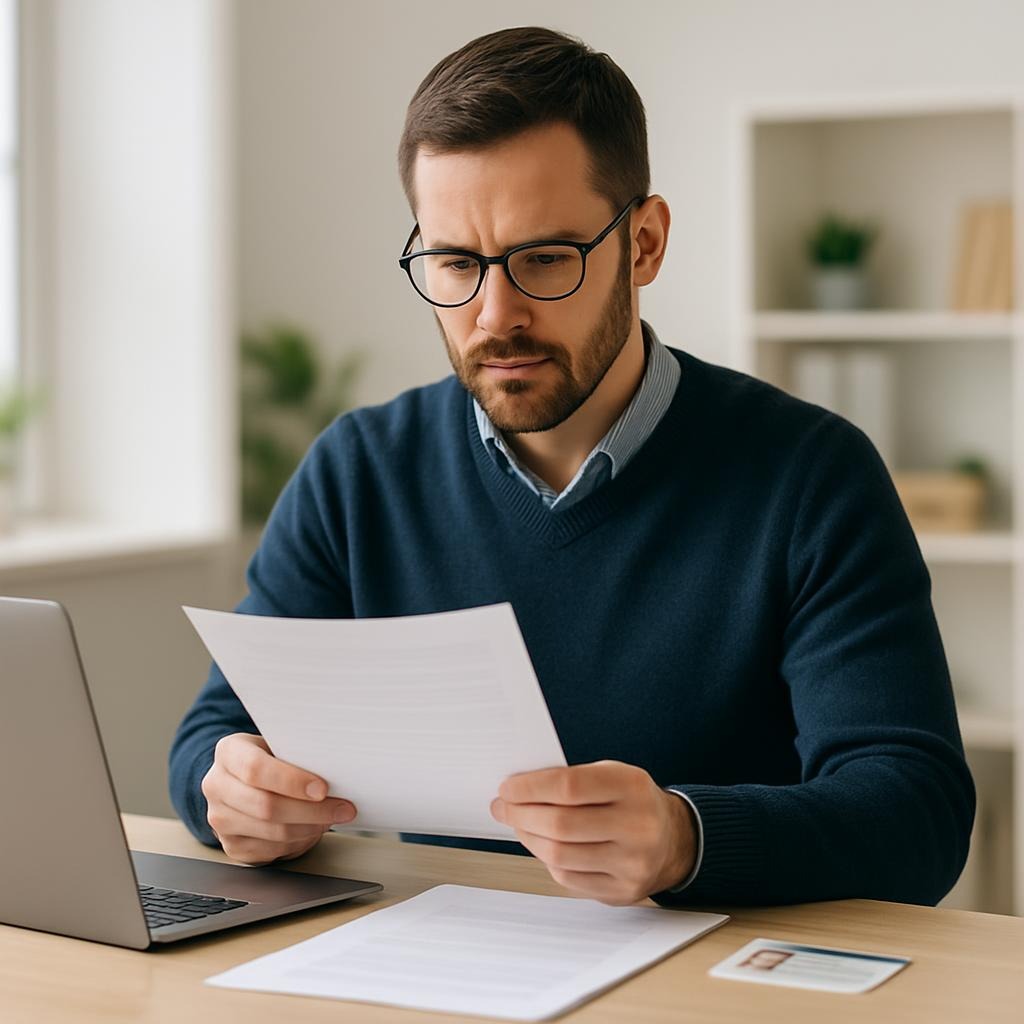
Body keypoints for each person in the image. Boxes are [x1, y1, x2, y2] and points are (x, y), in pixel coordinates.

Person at [169, 26, 974, 909]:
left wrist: (686, 839)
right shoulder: (359, 470)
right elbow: (216, 731)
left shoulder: (812, 477)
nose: (493, 314)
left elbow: (918, 814)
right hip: (441, 971)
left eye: (544, 258)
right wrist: (230, 791)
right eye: (454, 264)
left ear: (645, 244)